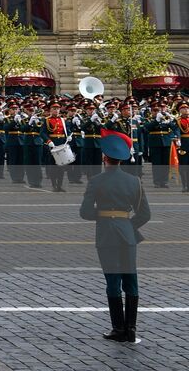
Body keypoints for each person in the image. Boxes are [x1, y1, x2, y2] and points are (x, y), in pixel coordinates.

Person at [80, 129, 151, 344]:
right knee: (131, 280)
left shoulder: (96, 180)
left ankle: (118, 328)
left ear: (104, 157)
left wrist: (103, 218)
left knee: (113, 282)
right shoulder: (134, 181)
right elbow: (145, 213)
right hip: (128, 234)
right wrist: (126, 225)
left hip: (106, 235)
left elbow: (84, 212)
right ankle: (131, 329)